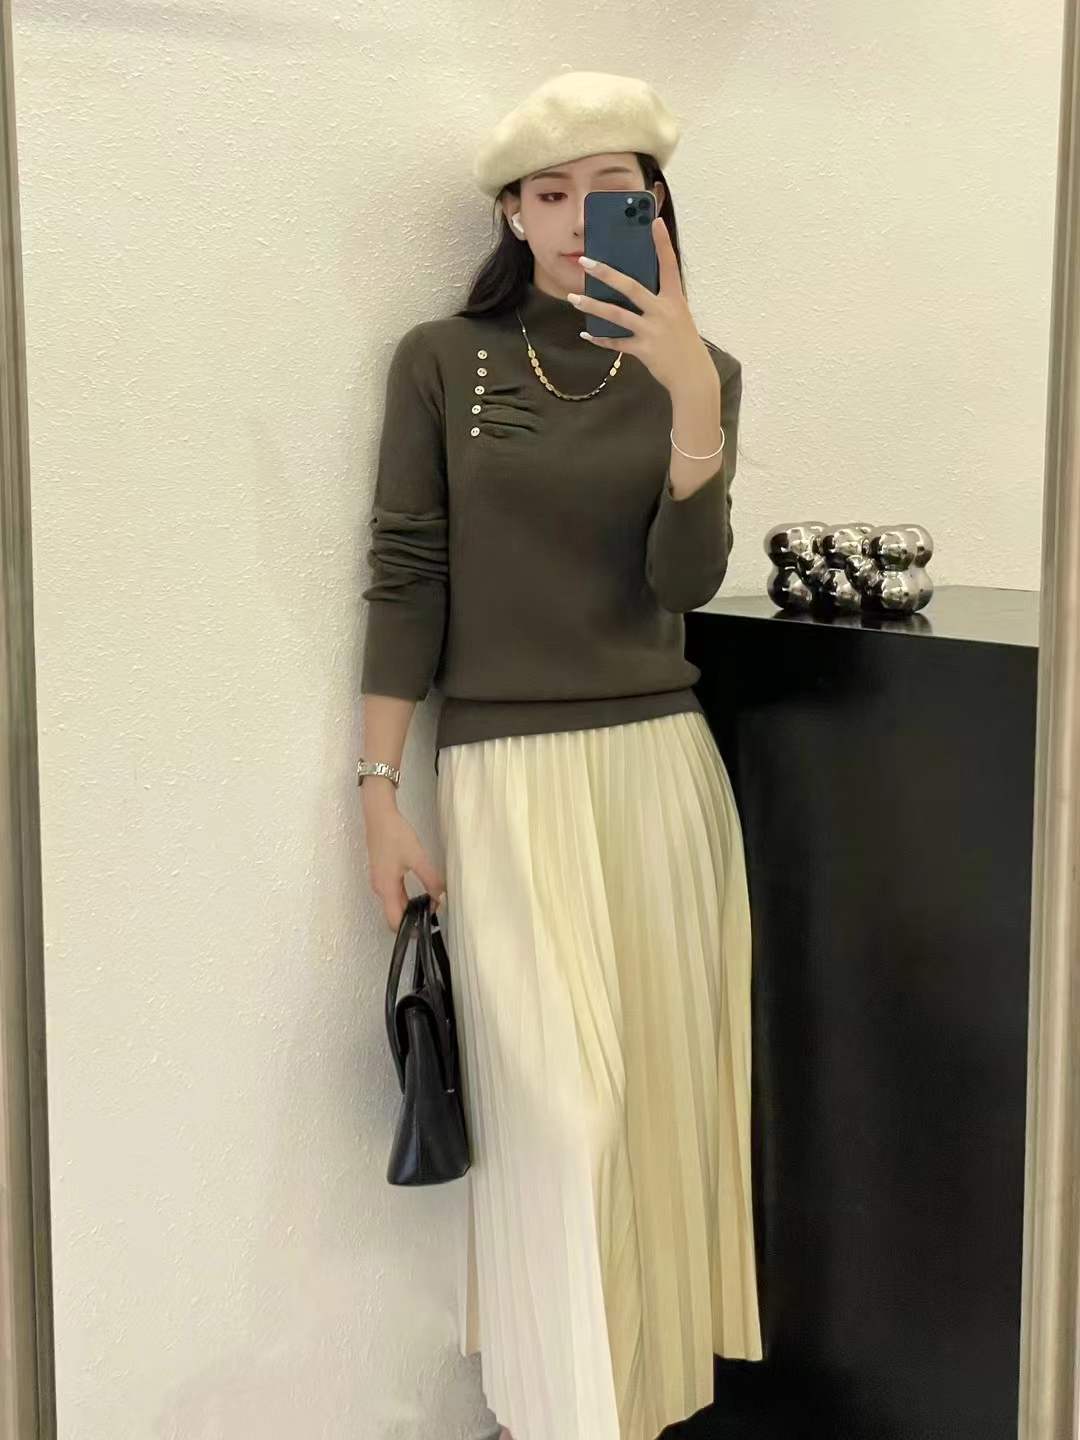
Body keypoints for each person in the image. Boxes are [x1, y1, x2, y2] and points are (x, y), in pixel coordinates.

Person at [358, 69, 764, 1440]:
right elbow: (408, 575)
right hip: (509, 780)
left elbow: (683, 583)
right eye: (550, 193)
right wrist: (377, 793)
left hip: (659, 773)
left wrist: (694, 406)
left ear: (657, 208)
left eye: (613, 193)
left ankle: (629, 1414)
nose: (581, 217)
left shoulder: (702, 373)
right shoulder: (440, 361)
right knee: (567, 1122)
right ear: (513, 216)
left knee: (652, 1130)